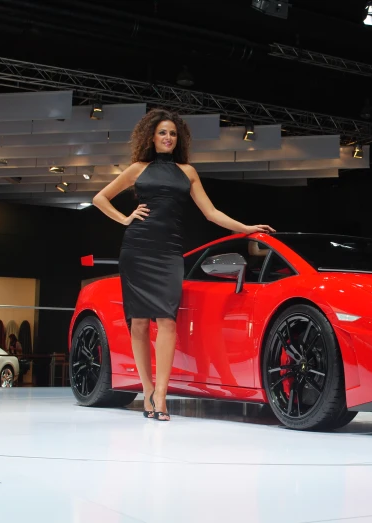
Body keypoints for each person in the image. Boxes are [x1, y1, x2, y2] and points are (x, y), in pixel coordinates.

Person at [93, 108, 274, 422]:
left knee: (167, 320)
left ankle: (161, 394)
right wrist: (125, 218)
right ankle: (148, 390)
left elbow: (211, 213)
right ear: (152, 136)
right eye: (162, 132)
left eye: (173, 134)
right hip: (137, 248)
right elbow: (100, 198)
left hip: (168, 253)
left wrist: (246, 228)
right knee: (138, 322)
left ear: (178, 140)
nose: (167, 138)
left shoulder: (187, 172)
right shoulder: (138, 168)